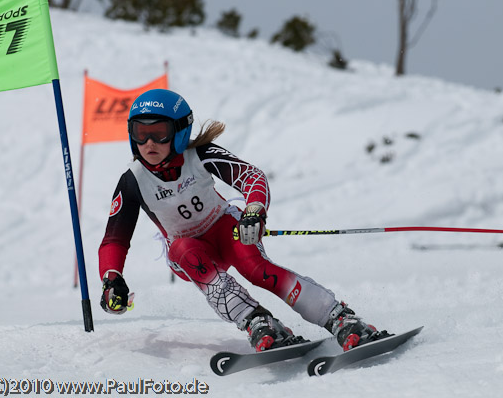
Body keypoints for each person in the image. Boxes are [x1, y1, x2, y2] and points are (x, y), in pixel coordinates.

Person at [98, 89, 389, 352]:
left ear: (179, 132)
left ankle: (339, 317)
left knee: (257, 269)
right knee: (184, 249)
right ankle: (257, 322)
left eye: (159, 133)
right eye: (139, 133)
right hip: (189, 253)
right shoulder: (132, 181)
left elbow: (251, 177)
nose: (148, 143)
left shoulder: (199, 155)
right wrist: (112, 279)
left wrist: (254, 210)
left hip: (226, 229)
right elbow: (114, 239)